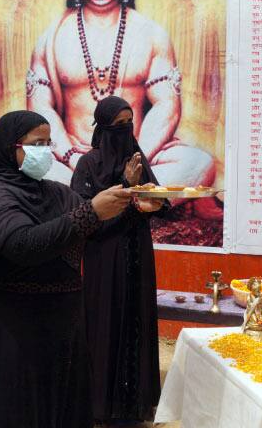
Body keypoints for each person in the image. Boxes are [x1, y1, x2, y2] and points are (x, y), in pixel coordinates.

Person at [0, 111, 162, 428]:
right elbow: (23, 245)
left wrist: (132, 203)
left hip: (60, 332)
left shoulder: (54, 192)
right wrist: (89, 213)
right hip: (12, 333)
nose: (44, 150)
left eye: (47, 142)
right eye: (35, 143)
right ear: (8, 148)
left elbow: (93, 226)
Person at [27, 0, 215, 188]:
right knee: (33, 166)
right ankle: (122, 199)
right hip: (74, 158)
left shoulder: (151, 34)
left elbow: (167, 105)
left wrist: (134, 158)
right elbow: (40, 107)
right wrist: (73, 156)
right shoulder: (52, 37)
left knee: (198, 163)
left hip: (137, 155)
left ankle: (102, 198)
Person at [70, 96, 165, 424]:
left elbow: (161, 199)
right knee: (105, 322)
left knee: (136, 318)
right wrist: (126, 185)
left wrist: (153, 201)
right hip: (104, 257)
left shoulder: (136, 156)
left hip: (138, 252)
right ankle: (102, 406)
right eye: (119, 125)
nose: (125, 130)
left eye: (130, 123)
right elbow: (82, 215)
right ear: (104, 126)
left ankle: (136, 405)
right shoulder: (88, 165)